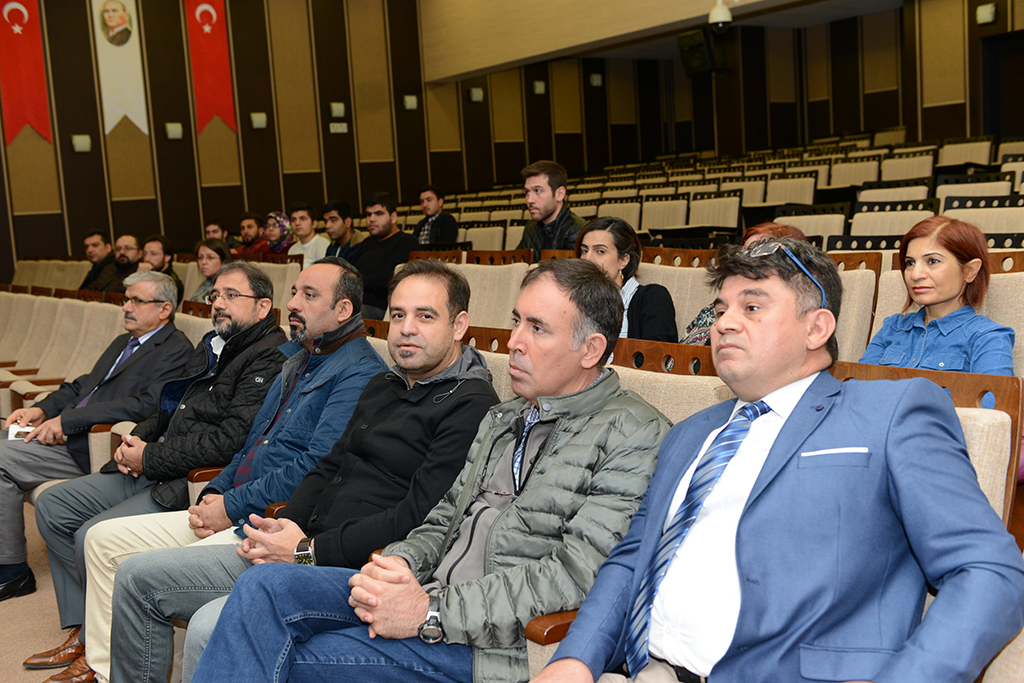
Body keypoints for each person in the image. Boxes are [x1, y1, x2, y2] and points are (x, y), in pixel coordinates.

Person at [534, 237, 1024, 683]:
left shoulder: (889, 414)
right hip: (643, 670)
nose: (724, 323)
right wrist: (575, 660)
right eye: (721, 308)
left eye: (752, 307)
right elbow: (632, 558)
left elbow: (990, 572)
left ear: (817, 327)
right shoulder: (689, 433)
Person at [190, 258, 671, 683]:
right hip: (428, 594)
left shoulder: (635, 433)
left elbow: (575, 575)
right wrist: (398, 565)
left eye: (537, 329)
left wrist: (430, 611)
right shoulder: (505, 417)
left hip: (496, 644)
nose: (514, 342)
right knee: (264, 587)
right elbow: (443, 518)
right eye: (516, 322)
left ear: (590, 349)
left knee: (280, 656)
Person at [107, 259, 501, 683]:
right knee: (136, 577)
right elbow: (329, 464)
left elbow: (415, 519)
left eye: (425, 316)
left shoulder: (472, 405)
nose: (406, 329)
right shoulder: (385, 385)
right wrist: (289, 524)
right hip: (299, 544)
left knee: (208, 627)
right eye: (398, 315)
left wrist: (305, 551)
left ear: (459, 325)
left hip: (359, 569)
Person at [72, 257, 388, 683]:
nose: (294, 303)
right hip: (234, 504)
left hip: (266, 520)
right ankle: (104, 670)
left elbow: (313, 467)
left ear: (343, 310)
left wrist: (230, 505)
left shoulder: (359, 372)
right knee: (100, 541)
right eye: (294, 292)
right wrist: (213, 493)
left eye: (309, 295)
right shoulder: (297, 359)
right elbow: (249, 445)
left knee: (139, 577)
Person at [26, 262, 288, 681]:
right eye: (214, 295)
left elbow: (228, 442)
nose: (218, 303)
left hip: (184, 478)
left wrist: (149, 457)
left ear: (262, 307)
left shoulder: (269, 357)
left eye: (230, 296)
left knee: (91, 535)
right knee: (55, 505)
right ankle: (84, 626)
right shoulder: (213, 343)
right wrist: (136, 439)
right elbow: (171, 407)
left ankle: (98, 649)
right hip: (154, 460)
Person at [0, 272, 192, 604]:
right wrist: (42, 410)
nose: (126, 307)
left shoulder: (176, 350)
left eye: (136, 301)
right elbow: (83, 385)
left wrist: (67, 421)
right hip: (70, 433)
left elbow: (146, 405)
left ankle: (12, 570)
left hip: (93, 444)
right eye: (126, 299)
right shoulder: (123, 341)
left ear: (164, 309)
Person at [861, 216, 1014, 409]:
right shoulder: (892, 327)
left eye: (932, 261)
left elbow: (991, 413)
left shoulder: (988, 337)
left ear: (970, 270)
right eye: (910, 263)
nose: (916, 274)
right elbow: (857, 391)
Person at [680, 222, 809, 345]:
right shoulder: (715, 309)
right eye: (744, 253)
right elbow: (677, 356)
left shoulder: (794, 314)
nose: (746, 262)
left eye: (759, 253)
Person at [576, 216, 677, 342]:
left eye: (600, 251)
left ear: (623, 261)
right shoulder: (576, 300)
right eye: (584, 250)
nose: (587, 259)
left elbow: (655, 353)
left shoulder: (653, 298)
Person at [350, 192, 418, 320]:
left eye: (379, 214)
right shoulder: (367, 242)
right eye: (368, 214)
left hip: (382, 308)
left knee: (345, 316)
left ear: (393, 217)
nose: (372, 219)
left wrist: (358, 280)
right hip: (356, 302)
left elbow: (390, 279)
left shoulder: (406, 241)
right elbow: (350, 273)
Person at [516, 160, 585, 261]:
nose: (529, 200)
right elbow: (516, 264)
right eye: (527, 192)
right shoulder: (531, 228)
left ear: (560, 194)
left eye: (537, 191)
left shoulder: (578, 231)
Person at [136, 234, 184, 303]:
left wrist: (141, 278)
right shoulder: (151, 275)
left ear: (167, 257)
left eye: (153, 254)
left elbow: (150, 304)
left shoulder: (172, 283)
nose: (147, 259)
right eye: (145, 254)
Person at [287, 203, 330, 268]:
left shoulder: (323, 244)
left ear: (314, 224)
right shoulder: (292, 249)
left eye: (303, 219)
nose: (297, 223)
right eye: (293, 220)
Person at [189, 238, 231, 303]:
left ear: (223, 262)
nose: (203, 262)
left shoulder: (229, 287)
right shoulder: (205, 283)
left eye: (210, 257)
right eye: (200, 257)